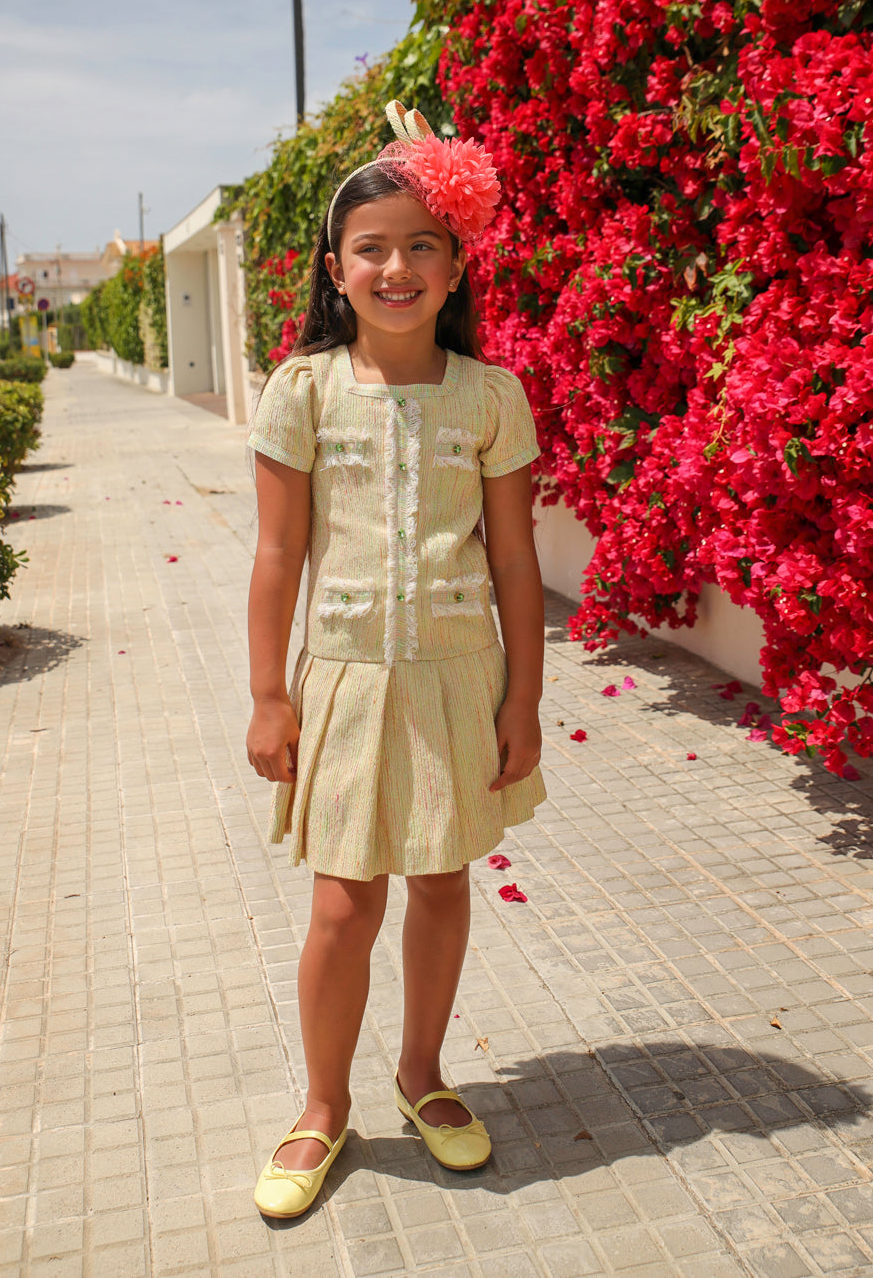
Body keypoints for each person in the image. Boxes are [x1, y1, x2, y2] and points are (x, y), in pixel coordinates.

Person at [246, 101, 546, 1219]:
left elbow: (514, 560)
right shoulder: (304, 390)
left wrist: (526, 699)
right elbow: (278, 554)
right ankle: (323, 1105)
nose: (398, 267)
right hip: (346, 682)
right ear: (337, 269)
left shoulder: (490, 396)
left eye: (424, 244)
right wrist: (268, 695)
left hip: (460, 680)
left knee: (442, 880)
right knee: (342, 906)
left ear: (457, 264)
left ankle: (422, 1074)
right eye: (372, 247)